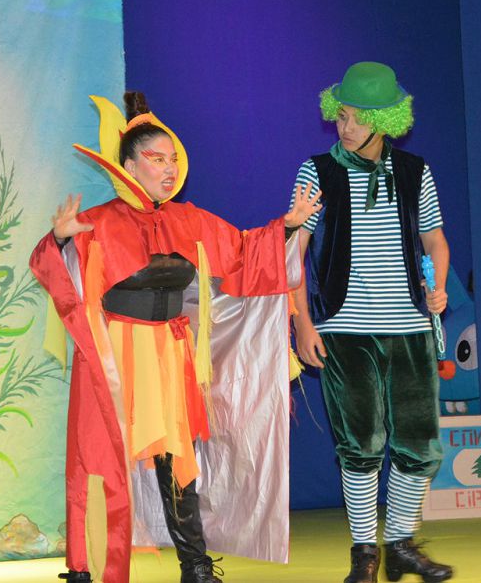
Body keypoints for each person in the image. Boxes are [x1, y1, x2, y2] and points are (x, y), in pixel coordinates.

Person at [30, 91, 320, 583]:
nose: (168, 169)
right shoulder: (97, 222)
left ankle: (196, 565)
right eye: (156, 159)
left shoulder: (187, 219)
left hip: (167, 350)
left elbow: (243, 253)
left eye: (172, 160)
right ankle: (87, 567)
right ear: (128, 166)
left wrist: (286, 228)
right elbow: (52, 273)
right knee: (99, 456)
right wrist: (59, 240)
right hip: (114, 354)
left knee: (176, 458)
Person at [290, 62, 454, 583]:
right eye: (341, 116)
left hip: (410, 327)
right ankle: (365, 552)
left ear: (385, 120)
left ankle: (401, 542)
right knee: (360, 443)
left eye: (358, 118)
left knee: (419, 444)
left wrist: (438, 286)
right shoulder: (316, 172)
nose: (346, 126)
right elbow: (293, 253)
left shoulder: (415, 171)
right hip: (345, 329)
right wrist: (302, 322)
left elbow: (435, 239)